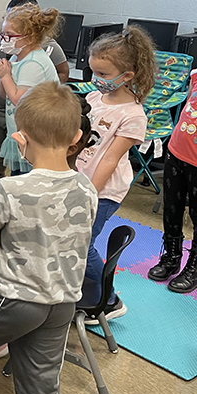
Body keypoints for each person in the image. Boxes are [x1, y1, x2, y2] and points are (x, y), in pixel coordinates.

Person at [0, 81, 97, 394]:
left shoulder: (9, 189)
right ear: (76, 138)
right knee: (41, 385)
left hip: (13, 298)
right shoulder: (86, 187)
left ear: (21, 138)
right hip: (63, 302)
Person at [76, 26, 157, 320]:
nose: (97, 79)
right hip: (79, 181)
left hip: (103, 191)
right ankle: (83, 289)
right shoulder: (95, 100)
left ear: (127, 76)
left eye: (104, 74)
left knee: (81, 245)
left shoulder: (133, 115)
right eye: (93, 71)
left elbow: (110, 158)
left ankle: (110, 300)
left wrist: (87, 192)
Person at [0, 0, 70, 202]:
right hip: (20, 132)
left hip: (37, 134)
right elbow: (4, 94)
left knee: (28, 181)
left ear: (30, 37)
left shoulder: (34, 62)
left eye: (9, 34)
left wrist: (6, 76)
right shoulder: (18, 57)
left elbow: (19, 99)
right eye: (3, 33)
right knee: (19, 179)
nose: (3, 39)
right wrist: (3, 76)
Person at [150, 69, 197, 293]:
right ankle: (171, 256)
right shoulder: (196, 76)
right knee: (171, 208)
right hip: (177, 151)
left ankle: (194, 267)